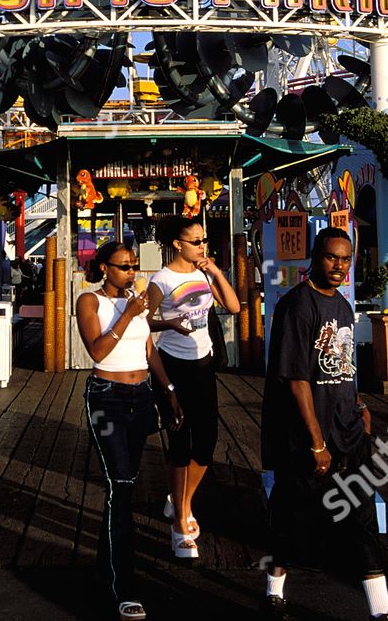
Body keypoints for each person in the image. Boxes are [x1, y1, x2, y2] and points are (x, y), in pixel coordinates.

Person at [261, 228, 388, 619]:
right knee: (291, 513)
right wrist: (316, 442)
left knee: (363, 515)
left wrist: (358, 404)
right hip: (307, 433)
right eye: (331, 257)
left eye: (345, 259)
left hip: (348, 429)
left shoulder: (341, 305)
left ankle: (381, 607)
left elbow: (342, 364)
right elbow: (296, 378)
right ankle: (274, 592)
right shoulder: (296, 306)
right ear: (314, 258)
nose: (339, 266)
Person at [76, 240, 182, 621]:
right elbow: (99, 351)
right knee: (119, 485)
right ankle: (125, 584)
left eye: (134, 266)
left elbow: (149, 348)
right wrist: (128, 313)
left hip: (141, 396)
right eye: (122, 267)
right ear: (104, 268)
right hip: (107, 396)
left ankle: (107, 566)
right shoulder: (90, 302)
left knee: (126, 484)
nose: (130, 273)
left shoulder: (137, 301)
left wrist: (169, 391)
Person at [144, 215, 240, 558]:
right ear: (177, 245)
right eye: (196, 241)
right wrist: (168, 322)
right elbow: (143, 321)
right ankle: (180, 524)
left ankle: (181, 501)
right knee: (180, 443)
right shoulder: (162, 279)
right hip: (173, 365)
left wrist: (214, 271)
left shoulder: (203, 273)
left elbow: (234, 306)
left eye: (204, 240)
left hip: (204, 364)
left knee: (207, 441)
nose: (202, 246)